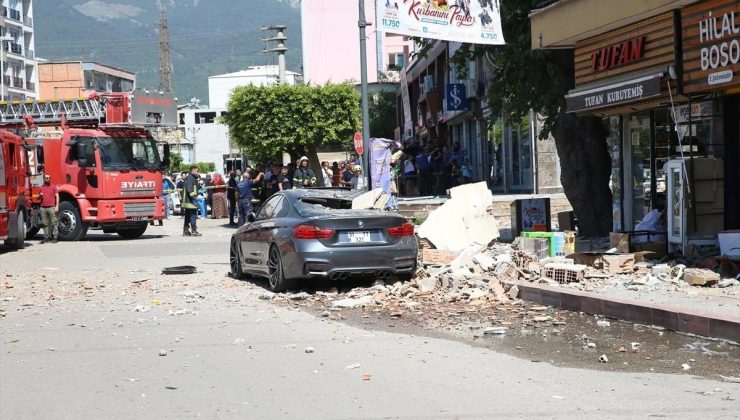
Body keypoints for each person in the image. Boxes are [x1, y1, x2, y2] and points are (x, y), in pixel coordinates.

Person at [39, 174, 60, 243]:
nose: (48, 179)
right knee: (44, 223)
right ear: (44, 179)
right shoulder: (41, 188)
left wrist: (57, 206)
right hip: (43, 207)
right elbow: (38, 198)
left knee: (54, 222)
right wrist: (40, 196)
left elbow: (57, 196)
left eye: (49, 178)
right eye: (47, 178)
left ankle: (55, 237)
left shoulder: (53, 187)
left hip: (51, 207)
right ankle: (46, 237)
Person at [181, 166, 201, 236]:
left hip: (188, 201)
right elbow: (189, 189)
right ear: (193, 170)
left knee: (187, 216)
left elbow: (195, 188)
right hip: (190, 201)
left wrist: (198, 183)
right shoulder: (190, 178)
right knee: (193, 216)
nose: (198, 173)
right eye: (197, 171)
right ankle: (194, 231)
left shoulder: (191, 178)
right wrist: (194, 198)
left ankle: (186, 231)